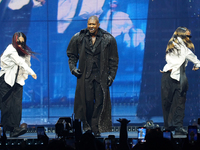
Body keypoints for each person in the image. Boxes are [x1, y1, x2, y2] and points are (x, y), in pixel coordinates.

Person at [67, 15, 119, 137]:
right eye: (89, 24)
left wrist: (111, 76)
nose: (91, 27)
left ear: (98, 25)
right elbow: (71, 55)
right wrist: (73, 69)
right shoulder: (79, 37)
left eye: (93, 24)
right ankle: (88, 126)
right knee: (87, 101)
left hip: (101, 76)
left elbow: (114, 60)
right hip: (85, 75)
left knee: (100, 102)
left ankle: (95, 128)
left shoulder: (108, 38)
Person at [160, 27, 200, 135]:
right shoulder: (179, 46)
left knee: (175, 102)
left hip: (176, 77)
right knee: (172, 102)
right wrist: (197, 64)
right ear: (182, 35)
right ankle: (172, 126)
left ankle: (173, 126)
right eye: (188, 36)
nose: (189, 38)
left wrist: (197, 64)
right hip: (172, 76)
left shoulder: (172, 44)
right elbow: (192, 57)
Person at [0, 32, 37, 137]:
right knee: (6, 106)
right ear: (14, 41)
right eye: (18, 42)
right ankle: (7, 129)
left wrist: (25, 75)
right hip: (6, 80)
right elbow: (20, 62)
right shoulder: (10, 49)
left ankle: (15, 128)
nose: (20, 44)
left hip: (18, 81)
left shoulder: (25, 52)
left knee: (17, 106)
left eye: (22, 42)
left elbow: (27, 63)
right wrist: (31, 72)